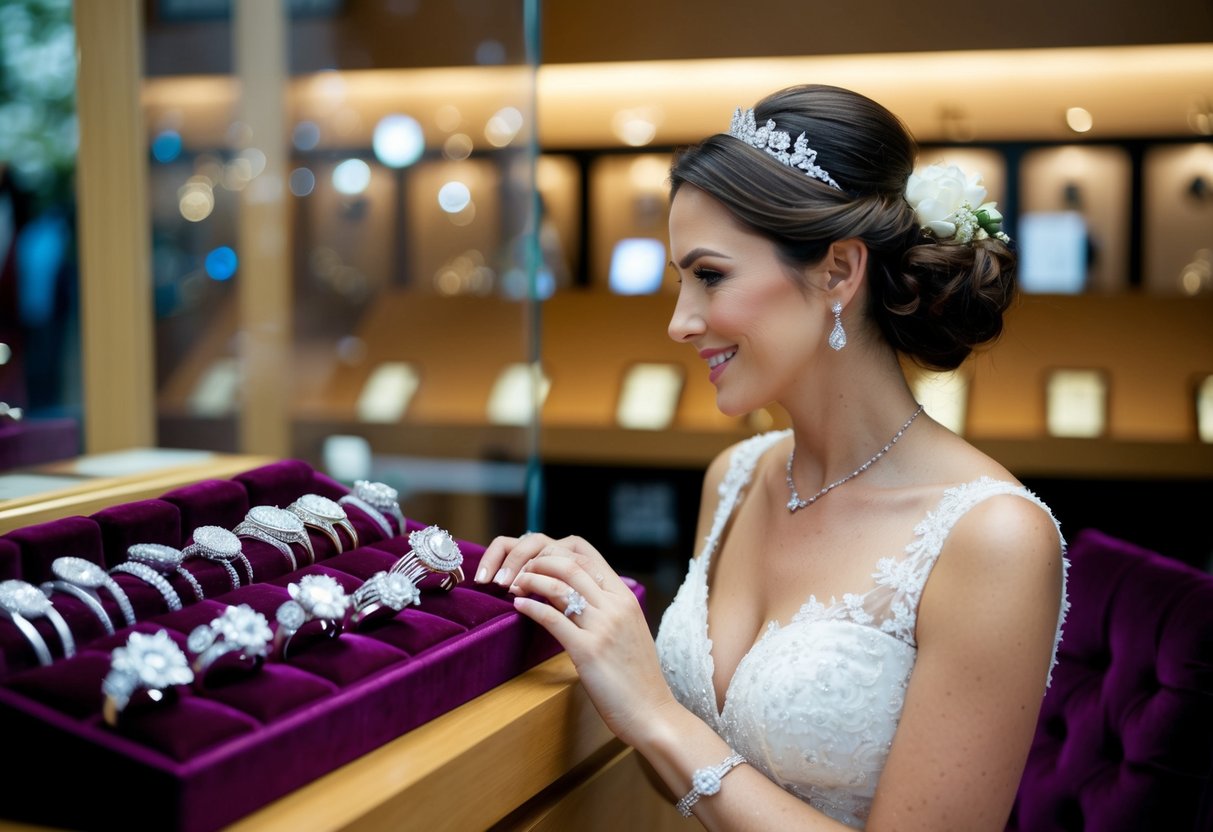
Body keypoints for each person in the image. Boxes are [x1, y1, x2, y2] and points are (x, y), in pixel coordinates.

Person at [476, 83, 1068, 831]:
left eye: (709, 276)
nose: (679, 323)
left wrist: (656, 712)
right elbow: (694, 788)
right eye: (678, 280)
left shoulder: (992, 540)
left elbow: (676, 739)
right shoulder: (736, 478)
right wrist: (593, 624)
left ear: (837, 272)